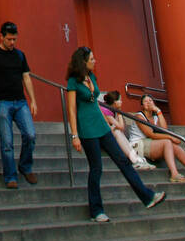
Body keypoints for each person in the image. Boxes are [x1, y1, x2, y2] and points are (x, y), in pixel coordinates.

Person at [67, 47, 165, 222]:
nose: (94, 61)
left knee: (123, 160)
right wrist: (74, 135)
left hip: (101, 125)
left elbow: (95, 102)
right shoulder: (73, 82)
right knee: (96, 168)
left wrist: (108, 121)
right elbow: (72, 110)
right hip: (87, 129)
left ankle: (147, 196)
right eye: (91, 59)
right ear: (83, 61)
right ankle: (96, 211)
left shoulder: (92, 77)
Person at [0, 21, 38, 188]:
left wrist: (33, 99)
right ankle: (10, 176)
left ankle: (25, 166)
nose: (12, 42)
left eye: (14, 39)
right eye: (9, 39)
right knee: (7, 141)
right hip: (2, 102)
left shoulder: (20, 55)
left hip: (20, 102)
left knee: (30, 135)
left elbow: (26, 77)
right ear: (1, 36)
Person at [138, 94, 185, 182]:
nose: (148, 103)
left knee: (175, 147)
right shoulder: (139, 116)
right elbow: (151, 134)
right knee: (167, 142)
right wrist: (171, 137)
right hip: (139, 144)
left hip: (152, 143)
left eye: (150, 100)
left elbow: (164, 129)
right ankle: (174, 174)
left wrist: (158, 111)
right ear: (142, 105)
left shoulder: (155, 118)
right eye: (145, 101)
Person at [100, 91, 151, 169]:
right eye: (120, 100)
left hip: (107, 136)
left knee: (117, 131)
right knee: (117, 131)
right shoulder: (105, 110)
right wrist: (119, 112)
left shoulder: (112, 110)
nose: (121, 102)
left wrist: (117, 114)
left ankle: (135, 157)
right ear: (114, 102)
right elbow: (121, 126)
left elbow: (119, 127)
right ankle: (135, 159)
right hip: (101, 138)